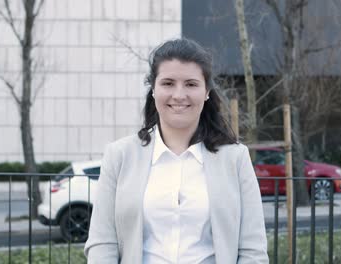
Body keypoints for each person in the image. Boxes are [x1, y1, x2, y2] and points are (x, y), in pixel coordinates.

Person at [84, 38, 268, 263]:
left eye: (191, 84)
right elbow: (102, 244)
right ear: (153, 89)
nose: (179, 95)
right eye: (168, 83)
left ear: (207, 91)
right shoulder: (119, 155)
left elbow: (253, 249)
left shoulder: (235, 158)